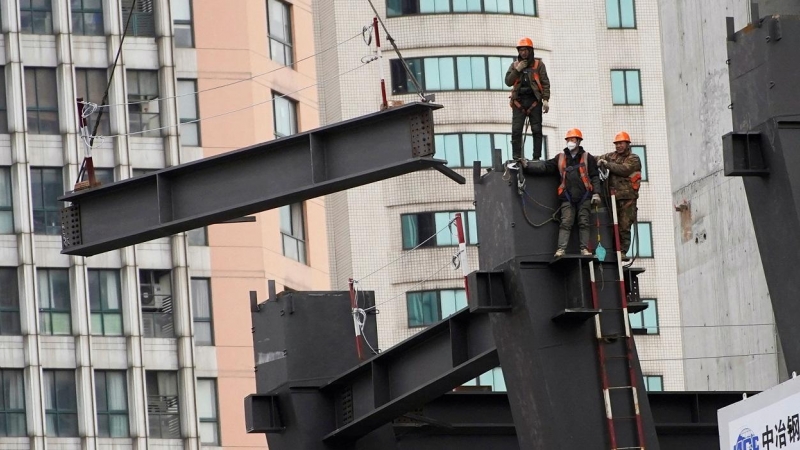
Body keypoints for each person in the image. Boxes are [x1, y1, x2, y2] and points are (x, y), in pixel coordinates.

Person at [524, 128, 602, 258]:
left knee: (584, 222)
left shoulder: (587, 157)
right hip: (567, 196)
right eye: (568, 140)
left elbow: (594, 176)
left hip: (584, 196)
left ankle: (584, 249)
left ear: (578, 141)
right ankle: (561, 250)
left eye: (572, 139)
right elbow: (545, 167)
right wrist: (528, 165)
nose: (570, 142)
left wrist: (596, 193)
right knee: (566, 223)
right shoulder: (560, 158)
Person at [597, 131, 642, 260]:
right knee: (611, 225)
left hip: (627, 198)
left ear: (627, 144)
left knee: (624, 225)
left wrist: (607, 164)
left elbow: (624, 170)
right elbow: (597, 158)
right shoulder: (611, 156)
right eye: (616, 144)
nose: (618, 146)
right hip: (612, 198)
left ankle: (622, 251)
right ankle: (612, 249)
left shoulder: (633, 158)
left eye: (621, 143)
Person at [505, 37, 550, 161]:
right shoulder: (514, 65)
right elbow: (508, 82)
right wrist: (518, 70)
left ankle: (536, 157)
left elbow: (545, 83)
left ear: (530, 51)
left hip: (534, 101)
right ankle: (516, 157)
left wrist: (545, 99)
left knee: (537, 130)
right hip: (518, 102)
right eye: (521, 50)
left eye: (525, 50)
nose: (523, 53)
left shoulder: (538, 65)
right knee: (516, 131)